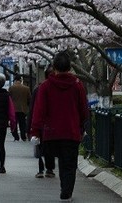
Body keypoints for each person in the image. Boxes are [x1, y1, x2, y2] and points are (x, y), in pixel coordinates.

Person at [30, 52, 89, 202]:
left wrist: (35, 131)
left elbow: (39, 110)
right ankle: (66, 191)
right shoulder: (77, 85)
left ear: (54, 67)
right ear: (69, 67)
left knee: (59, 160)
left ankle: (64, 189)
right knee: (68, 164)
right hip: (71, 131)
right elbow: (83, 109)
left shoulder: (45, 86)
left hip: (51, 133)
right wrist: (82, 126)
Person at [9, 76, 32, 141]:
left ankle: (16, 136)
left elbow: (9, 98)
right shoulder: (26, 88)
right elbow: (29, 99)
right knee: (22, 123)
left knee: (14, 123)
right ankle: (23, 136)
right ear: (20, 80)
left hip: (13, 109)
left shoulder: (11, 88)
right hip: (23, 109)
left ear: (15, 80)